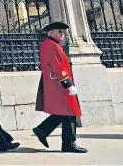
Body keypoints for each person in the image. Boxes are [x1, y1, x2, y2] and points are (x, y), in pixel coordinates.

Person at [32, 21, 87, 153]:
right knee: (70, 113)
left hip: (57, 83)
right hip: (59, 84)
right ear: (51, 32)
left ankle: (43, 130)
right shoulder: (51, 46)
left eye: (63, 32)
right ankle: (68, 144)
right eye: (60, 31)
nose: (62, 34)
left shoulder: (51, 44)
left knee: (66, 113)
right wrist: (67, 84)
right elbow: (57, 67)